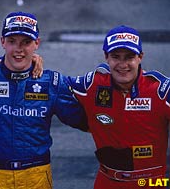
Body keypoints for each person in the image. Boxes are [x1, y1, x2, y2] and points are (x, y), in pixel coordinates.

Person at [0, 11, 88, 189]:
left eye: (26, 42)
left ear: (37, 43)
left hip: (36, 176)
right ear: (2, 42)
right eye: (12, 41)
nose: (19, 49)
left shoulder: (51, 82)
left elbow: (86, 122)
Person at [69, 25, 170, 188]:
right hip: (107, 181)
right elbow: (54, 87)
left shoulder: (160, 90)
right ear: (106, 57)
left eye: (129, 57)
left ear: (140, 57)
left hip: (151, 182)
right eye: (116, 56)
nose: (123, 65)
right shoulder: (94, 84)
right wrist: (32, 64)